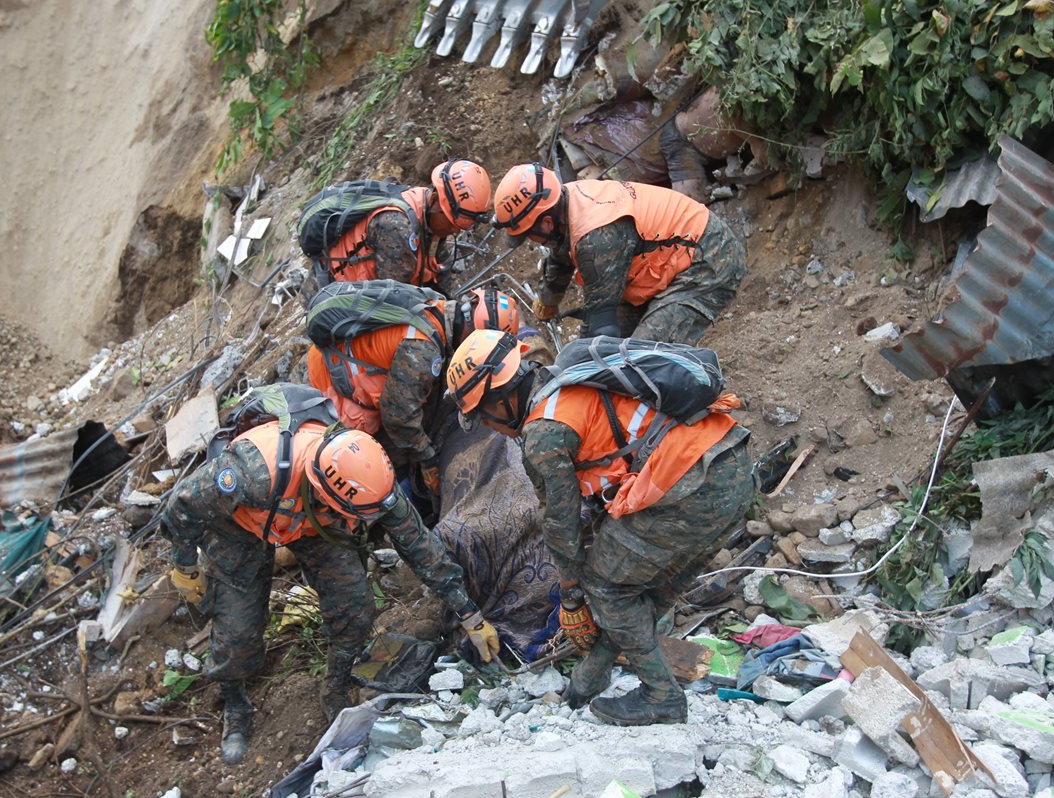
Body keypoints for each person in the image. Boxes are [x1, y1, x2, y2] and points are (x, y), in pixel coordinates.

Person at [442, 329, 755, 726]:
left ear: (501, 400)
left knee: (606, 586)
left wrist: (572, 598)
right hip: (731, 467)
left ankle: (661, 696)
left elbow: (560, 521)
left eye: (484, 415)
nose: (491, 426)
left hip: (692, 483)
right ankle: (593, 673)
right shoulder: (568, 384)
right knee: (645, 587)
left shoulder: (543, 433)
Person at [161, 422, 500, 764]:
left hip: (313, 522)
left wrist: (469, 613)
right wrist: (185, 567)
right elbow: (182, 506)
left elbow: (419, 545)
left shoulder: (369, 480)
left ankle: (335, 685)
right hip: (239, 523)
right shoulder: (250, 473)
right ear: (325, 491)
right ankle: (235, 700)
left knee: (354, 605)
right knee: (239, 632)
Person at [490, 163, 746, 343]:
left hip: (707, 258)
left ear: (545, 223)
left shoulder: (596, 237)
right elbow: (561, 255)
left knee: (642, 354)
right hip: (668, 253)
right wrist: (547, 301)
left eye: (528, 235)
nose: (531, 241)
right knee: (619, 346)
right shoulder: (564, 200)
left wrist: (576, 369)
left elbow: (600, 327)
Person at [306, 284, 520, 499]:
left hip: (345, 356)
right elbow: (398, 419)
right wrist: (427, 459)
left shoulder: (436, 304)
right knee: (375, 459)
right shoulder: (423, 350)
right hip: (333, 378)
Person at [319, 159, 491, 286]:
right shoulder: (397, 228)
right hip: (332, 292)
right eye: (455, 223)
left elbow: (437, 271)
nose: (455, 231)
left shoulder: (427, 211)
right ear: (438, 201)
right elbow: (393, 298)